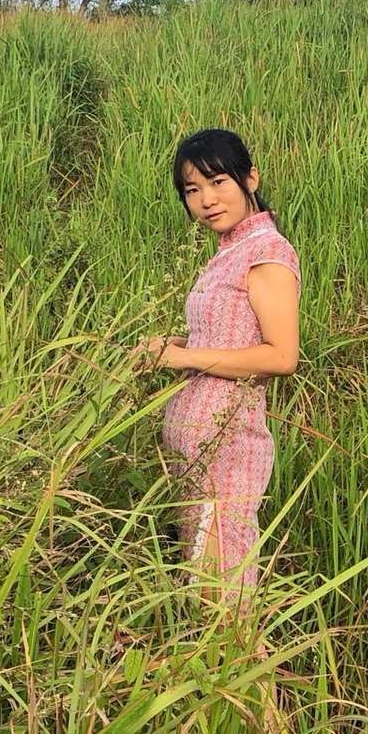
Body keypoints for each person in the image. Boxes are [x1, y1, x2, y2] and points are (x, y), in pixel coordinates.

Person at [144, 129, 301, 602]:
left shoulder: (266, 253)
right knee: (200, 606)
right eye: (192, 190)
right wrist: (172, 346)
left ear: (249, 178)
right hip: (195, 459)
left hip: (226, 458)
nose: (206, 200)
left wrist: (187, 357)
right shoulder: (228, 252)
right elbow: (229, 336)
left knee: (225, 614)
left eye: (217, 182)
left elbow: (280, 355)